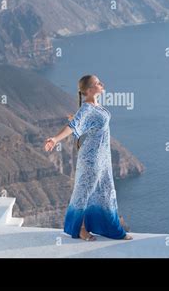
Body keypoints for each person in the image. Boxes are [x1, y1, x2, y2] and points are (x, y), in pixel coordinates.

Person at [44, 75, 133, 241]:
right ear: (90, 90)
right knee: (85, 191)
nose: (102, 84)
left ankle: (111, 229)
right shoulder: (87, 108)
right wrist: (55, 139)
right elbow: (73, 126)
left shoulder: (94, 106)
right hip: (92, 157)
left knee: (105, 191)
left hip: (102, 157)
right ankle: (80, 228)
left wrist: (77, 119)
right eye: (98, 83)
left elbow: (82, 122)